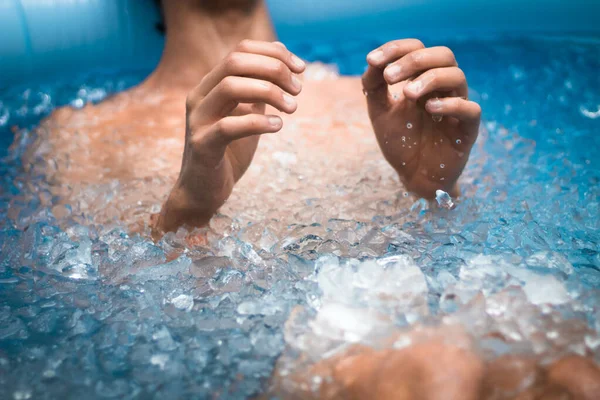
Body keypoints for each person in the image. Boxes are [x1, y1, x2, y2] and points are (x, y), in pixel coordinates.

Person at [31, 0, 599, 398]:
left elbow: (486, 239)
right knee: (437, 368)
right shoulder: (81, 132)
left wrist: (435, 190)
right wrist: (187, 209)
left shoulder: (388, 98)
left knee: (576, 371)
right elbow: (95, 301)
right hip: (278, 364)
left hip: (435, 327)